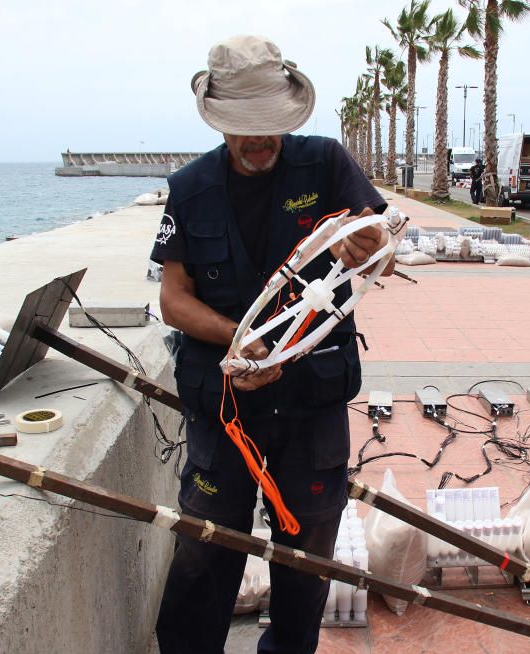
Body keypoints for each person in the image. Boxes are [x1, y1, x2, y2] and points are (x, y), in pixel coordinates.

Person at [150, 35, 394, 653]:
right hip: (223, 406)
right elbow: (173, 299)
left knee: (306, 561)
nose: (257, 142)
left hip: (310, 408)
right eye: (242, 131)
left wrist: (365, 248)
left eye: (268, 129)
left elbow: (381, 247)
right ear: (218, 123)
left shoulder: (327, 164)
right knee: (205, 551)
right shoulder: (189, 187)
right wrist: (243, 341)